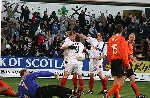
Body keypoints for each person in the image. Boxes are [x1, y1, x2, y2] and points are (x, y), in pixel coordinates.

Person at [104, 24, 130, 98]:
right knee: (120, 81)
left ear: (115, 30)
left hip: (113, 61)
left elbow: (108, 51)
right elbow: (124, 53)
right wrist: (127, 64)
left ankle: (117, 96)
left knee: (115, 81)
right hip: (119, 61)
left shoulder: (111, 39)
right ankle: (107, 95)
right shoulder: (122, 39)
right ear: (122, 31)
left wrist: (109, 61)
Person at [60, 32, 85, 97]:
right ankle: (81, 90)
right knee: (79, 76)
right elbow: (82, 50)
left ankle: (61, 88)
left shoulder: (71, 43)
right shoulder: (81, 45)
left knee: (65, 75)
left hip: (71, 61)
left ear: (75, 38)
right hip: (78, 62)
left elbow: (63, 48)